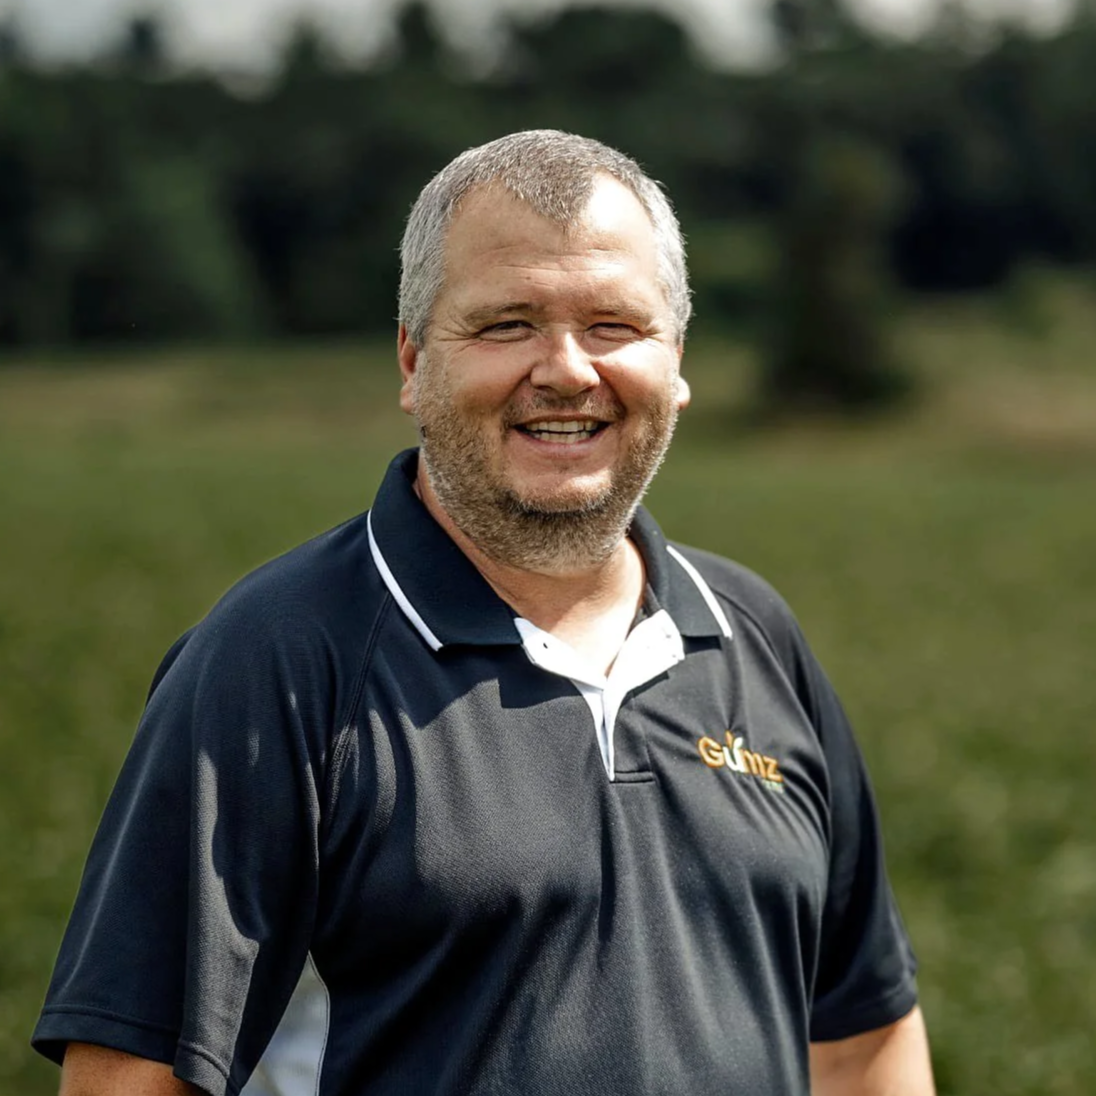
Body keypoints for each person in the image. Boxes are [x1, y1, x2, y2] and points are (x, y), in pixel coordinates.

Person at [34, 130, 935, 1096]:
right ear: (414, 360)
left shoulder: (753, 633)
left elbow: (861, 1042)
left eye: (614, 324)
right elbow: (133, 1079)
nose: (567, 370)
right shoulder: (277, 659)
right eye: (507, 324)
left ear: (675, 361)